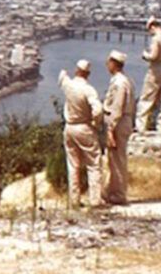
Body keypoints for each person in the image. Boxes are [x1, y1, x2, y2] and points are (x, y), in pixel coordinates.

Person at [59, 59, 103, 207]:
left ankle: (74, 199)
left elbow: (62, 78)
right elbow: (98, 109)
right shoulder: (89, 90)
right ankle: (95, 200)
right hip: (84, 127)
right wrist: (95, 123)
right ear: (88, 74)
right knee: (93, 164)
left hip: (69, 127)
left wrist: (65, 72)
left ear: (76, 70)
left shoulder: (68, 85)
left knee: (73, 165)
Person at [102, 50, 135, 205]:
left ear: (114, 63)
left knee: (117, 160)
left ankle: (119, 194)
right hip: (121, 121)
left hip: (119, 122)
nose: (107, 64)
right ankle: (113, 190)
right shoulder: (124, 80)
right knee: (113, 159)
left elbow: (117, 107)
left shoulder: (120, 83)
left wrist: (110, 128)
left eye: (109, 62)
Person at [136, 17, 161, 135]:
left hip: (155, 69)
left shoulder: (156, 39)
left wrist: (145, 55)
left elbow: (153, 56)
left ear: (152, 26)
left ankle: (141, 128)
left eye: (149, 29)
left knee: (146, 99)